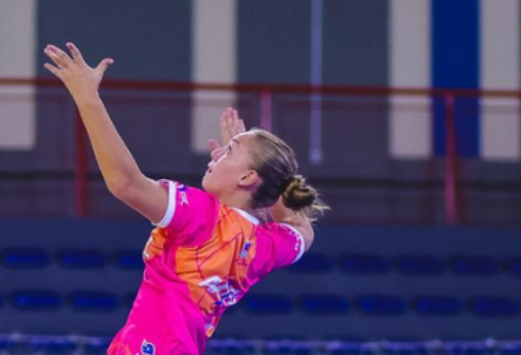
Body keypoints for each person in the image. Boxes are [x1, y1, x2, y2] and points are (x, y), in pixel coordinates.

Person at [43, 43, 328, 355]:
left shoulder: (203, 215)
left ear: (248, 178)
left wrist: (87, 98)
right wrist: (262, 175)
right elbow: (303, 231)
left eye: (228, 152)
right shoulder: (265, 245)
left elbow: (126, 184)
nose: (215, 155)